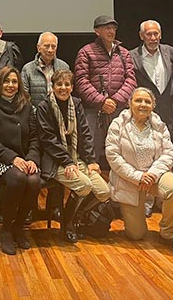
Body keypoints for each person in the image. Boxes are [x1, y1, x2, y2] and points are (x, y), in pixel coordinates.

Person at [105, 87, 173, 249]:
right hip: (129, 180)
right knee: (137, 235)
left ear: (153, 105)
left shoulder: (158, 124)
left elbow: (169, 153)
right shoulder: (117, 124)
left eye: (147, 101)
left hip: (155, 175)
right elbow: (113, 156)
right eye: (138, 100)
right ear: (130, 104)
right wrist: (138, 176)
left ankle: (167, 232)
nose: (143, 104)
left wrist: (152, 174)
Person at [37, 69, 110, 243]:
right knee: (84, 185)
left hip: (76, 156)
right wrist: (67, 161)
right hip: (53, 159)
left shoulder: (76, 104)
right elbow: (48, 140)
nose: (63, 88)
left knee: (104, 191)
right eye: (59, 84)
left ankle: (75, 216)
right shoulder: (44, 106)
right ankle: (68, 224)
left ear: (72, 87)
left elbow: (84, 133)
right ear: (52, 86)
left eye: (67, 84)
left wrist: (91, 161)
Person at [0, 66, 40, 255]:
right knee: (18, 178)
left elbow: (34, 138)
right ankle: (5, 229)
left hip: (23, 160)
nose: (11, 85)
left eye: (14, 82)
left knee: (34, 180)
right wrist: (12, 158)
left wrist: (31, 158)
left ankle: (19, 226)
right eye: (6, 81)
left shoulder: (27, 105)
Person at [74, 15, 136, 166]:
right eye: (107, 28)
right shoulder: (86, 52)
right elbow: (81, 81)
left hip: (118, 109)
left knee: (121, 150)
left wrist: (114, 101)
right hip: (93, 110)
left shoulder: (124, 53)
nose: (111, 31)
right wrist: (102, 101)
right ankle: (93, 185)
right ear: (97, 31)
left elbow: (131, 80)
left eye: (113, 28)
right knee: (91, 150)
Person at [130, 20, 173, 130]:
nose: (153, 38)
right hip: (144, 111)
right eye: (149, 34)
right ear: (141, 36)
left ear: (160, 35)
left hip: (168, 112)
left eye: (156, 34)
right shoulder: (132, 56)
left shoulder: (170, 51)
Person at [21, 32, 69, 107]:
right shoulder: (27, 69)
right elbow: (24, 97)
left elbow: (67, 94)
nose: (50, 50)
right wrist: (37, 114)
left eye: (53, 46)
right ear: (38, 48)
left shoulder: (64, 67)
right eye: (46, 46)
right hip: (35, 115)